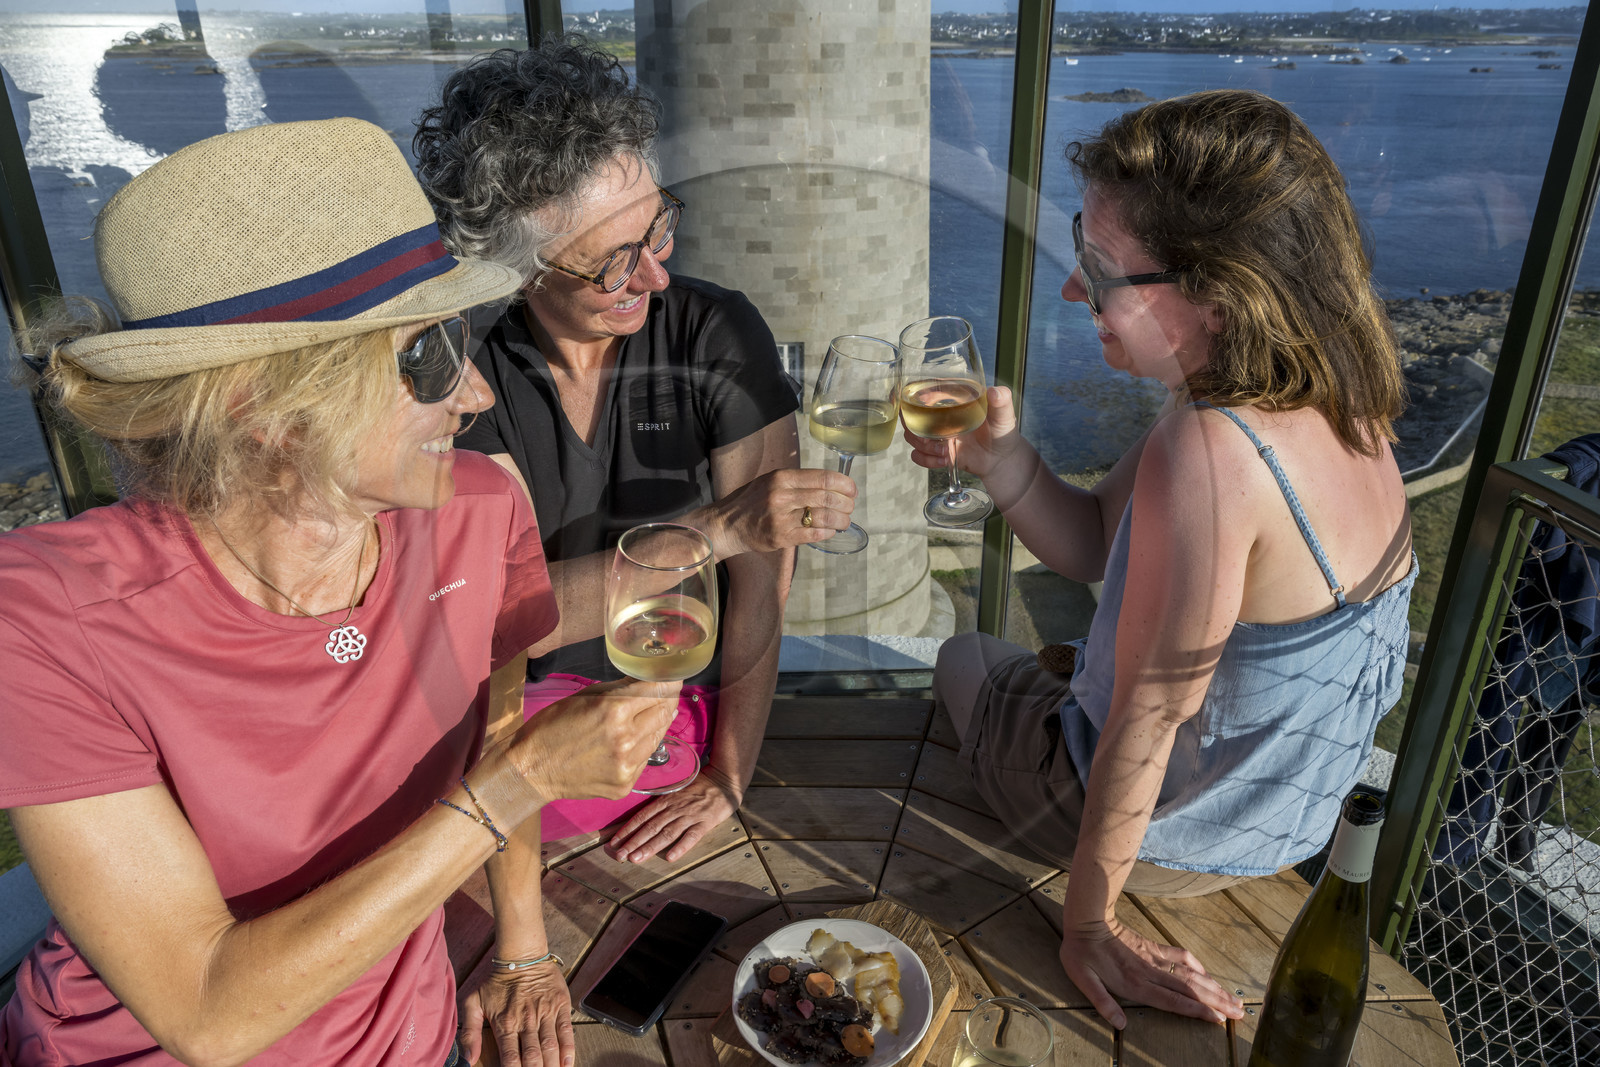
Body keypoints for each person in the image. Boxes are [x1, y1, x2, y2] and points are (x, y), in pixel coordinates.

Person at [0, 118, 679, 1067]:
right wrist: (519, 782)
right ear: (263, 404)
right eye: (426, 355)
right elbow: (206, 1012)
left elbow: (497, 732)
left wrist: (524, 952)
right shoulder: (47, 618)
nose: (476, 392)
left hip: (419, 1036)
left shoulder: (476, 509)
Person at [911, 90, 1417, 1030]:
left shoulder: (1216, 453)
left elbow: (1145, 722)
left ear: (1220, 293)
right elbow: (1098, 541)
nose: (1074, 291)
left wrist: (1089, 927)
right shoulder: (1341, 396)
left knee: (961, 656)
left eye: (1101, 270)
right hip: (1280, 819)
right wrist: (1005, 462)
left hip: (1179, 838)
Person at [413, 39, 852, 865]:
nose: (653, 277)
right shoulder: (466, 375)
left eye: (659, 229)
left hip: (676, 709)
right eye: (613, 263)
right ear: (517, 269)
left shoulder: (716, 331)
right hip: (515, 724)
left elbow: (763, 582)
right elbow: (514, 619)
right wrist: (718, 527)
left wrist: (730, 775)